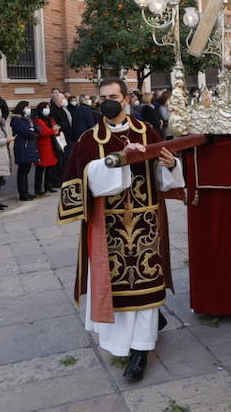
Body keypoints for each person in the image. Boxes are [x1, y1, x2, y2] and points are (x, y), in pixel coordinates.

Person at [58, 77, 184, 382]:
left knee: (145, 284)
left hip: (146, 225)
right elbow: (77, 180)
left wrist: (168, 164)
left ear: (127, 99)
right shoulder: (89, 139)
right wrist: (118, 161)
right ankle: (129, 337)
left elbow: (164, 177)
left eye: (114, 96)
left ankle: (141, 351)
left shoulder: (148, 131)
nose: (108, 102)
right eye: (103, 98)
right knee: (117, 288)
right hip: (109, 227)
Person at [11, 101, 38, 201]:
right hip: (22, 147)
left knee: (26, 171)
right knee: (22, 171)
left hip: (29, 147)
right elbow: (26, 132)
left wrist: (34, 132)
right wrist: (34, 134)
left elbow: (35, 128)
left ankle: (26, 192)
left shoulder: (27, 119)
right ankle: (23, 193)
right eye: (28, 107)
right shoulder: (17, 120)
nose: (29, 109)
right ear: (22, 108)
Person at [33, 101, 60, 196]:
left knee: (50, 167)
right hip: (43, 147)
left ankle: (48, 186)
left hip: (51, 145)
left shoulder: (50, 119)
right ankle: (38, 188)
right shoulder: (38, 120)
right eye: (45, 108)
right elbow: (43, 132)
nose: (47, 110)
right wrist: (53, 130)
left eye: (48, 107)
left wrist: (54, 130)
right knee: (40, 168)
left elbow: (53, 129)